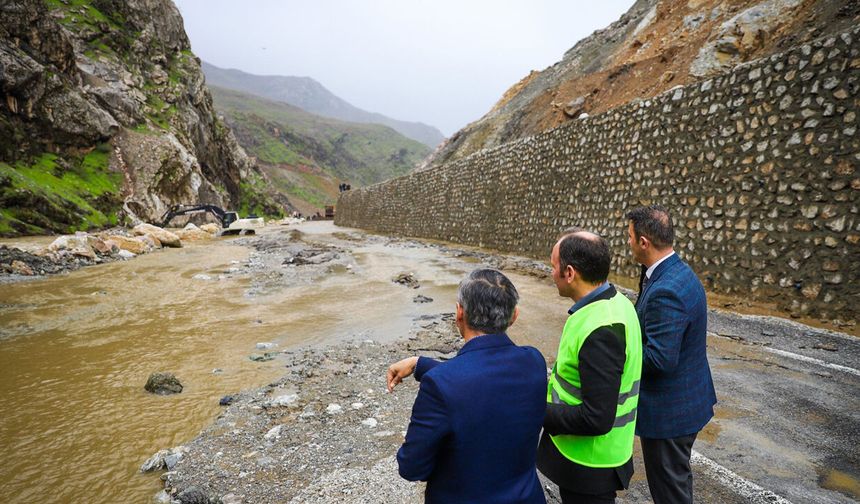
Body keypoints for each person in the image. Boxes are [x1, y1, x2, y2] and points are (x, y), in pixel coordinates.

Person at [387, 268, 547, 503]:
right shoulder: (533, 361)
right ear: (514, 315)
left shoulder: (440, 385)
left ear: (459, 313)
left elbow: (411, 467)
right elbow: (481, 381)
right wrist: (419, 363)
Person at [537, 230, 643, 504]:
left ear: (569, 273)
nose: (551, 273)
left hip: (590, 464)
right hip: (593, 459)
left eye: (553, 266)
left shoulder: (603, 329)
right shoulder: (614, 302)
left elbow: (596, 418)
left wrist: (535, 411)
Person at [626, 205, 716, 504]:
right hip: (685, 402)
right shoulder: (672, 271)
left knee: (670, 492)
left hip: (670, 415)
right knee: (676, 482)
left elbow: (660, 359)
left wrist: (619, 347)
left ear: (643, 242)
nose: (627, 243)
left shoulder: (667, 289)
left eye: (629, 237)